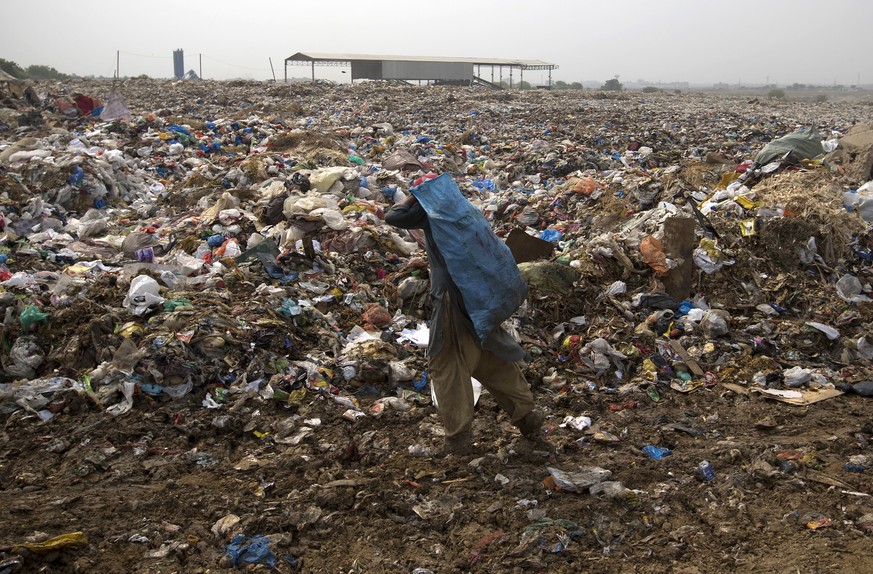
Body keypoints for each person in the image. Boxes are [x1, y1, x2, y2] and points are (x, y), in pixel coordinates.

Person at [385, 178, 543, 457]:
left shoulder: (432, 213)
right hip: (479, 297)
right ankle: (527, 415)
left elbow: (393, 216)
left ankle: (458, 438)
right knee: (488, 356)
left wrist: (414, 197)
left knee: (446, 363)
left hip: (454, 299)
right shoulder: (463, 209)